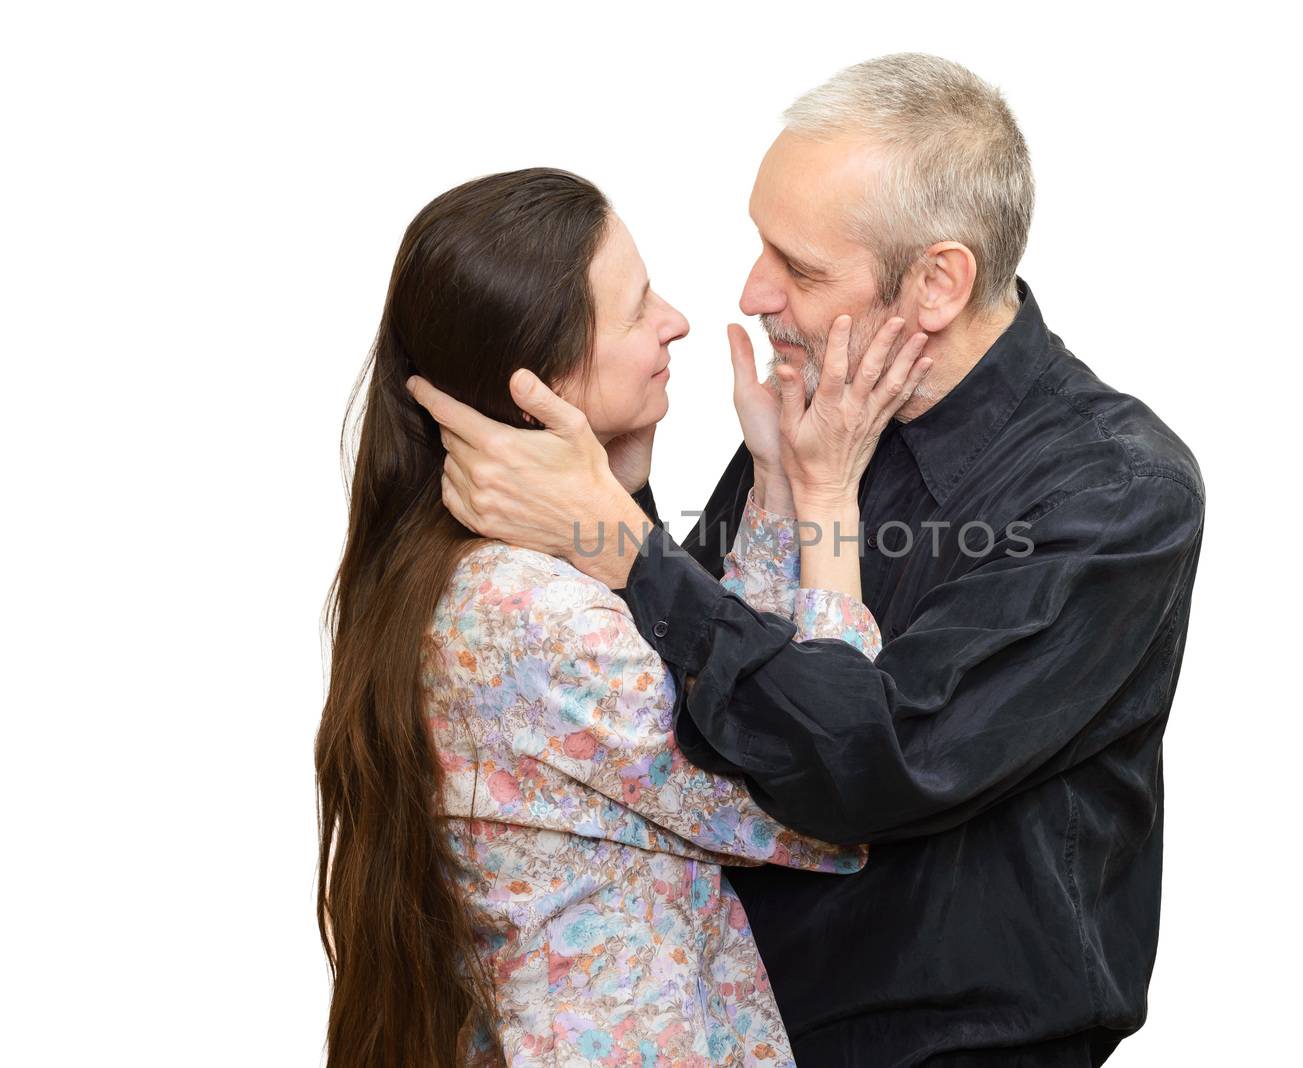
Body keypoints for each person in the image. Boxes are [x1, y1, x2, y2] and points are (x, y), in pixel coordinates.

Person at [411, 55, 1206, 1066]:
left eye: (801, 268)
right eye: (760, 246)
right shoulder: (813, 412)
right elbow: (691, 689)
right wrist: (631, 489)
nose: (751, 294)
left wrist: (616, 533)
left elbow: (863, 767)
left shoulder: (1112, 497)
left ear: (935, 282)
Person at [315, 167, 932, 1068]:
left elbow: (730, 702)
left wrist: (763, 480)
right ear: (543, 379)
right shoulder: (525, 613)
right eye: (637, 306)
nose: (676, 319)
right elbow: (818, 792)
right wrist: (829, 497)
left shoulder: (492, 573)